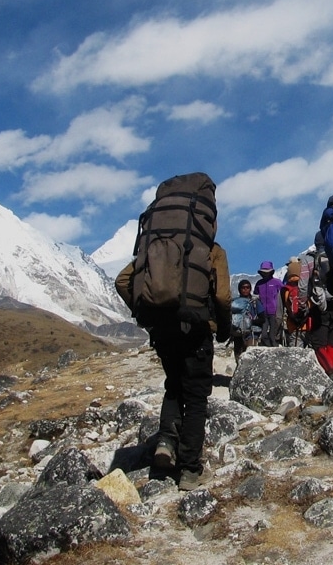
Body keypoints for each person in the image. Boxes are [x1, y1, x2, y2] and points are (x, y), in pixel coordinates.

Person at [114, 174, 232, 492]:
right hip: (196, 329)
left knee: (173, 387)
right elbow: (222, 296)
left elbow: (122, 281)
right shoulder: (212, 251)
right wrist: (223, 328)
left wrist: (145, 313)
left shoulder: (151, 249)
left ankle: (165, 444)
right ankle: (190, 470)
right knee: (195, 399)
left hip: (162, 329)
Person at [306, 235, 333, 375]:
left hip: (319, 305)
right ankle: (332, 371)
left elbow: (303, 285)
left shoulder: (310, 259)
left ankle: (329, 372)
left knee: (319, 343)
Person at [254, 260, 284, 346]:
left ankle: (274, 348)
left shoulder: (277, 282)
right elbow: (256, 295)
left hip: (274, 312)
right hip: (263, 313)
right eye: (264, 272)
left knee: (272, 334)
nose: (265, 274)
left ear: (271, 272)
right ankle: (269, 347)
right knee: (263, 334)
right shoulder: (259, 283)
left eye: (267, 272)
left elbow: (283, 294)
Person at [230, 279, 260, 359]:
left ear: (250, 288)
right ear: (239, 289)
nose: (245, 289)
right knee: (244, 357)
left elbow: (262, 317)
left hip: (249, 334)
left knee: (245, 357)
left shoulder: (255, 302)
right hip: (240, 334)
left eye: (247, 287)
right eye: (243, 288)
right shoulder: (254, 301)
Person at [280, 266, 308, 347]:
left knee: (296, 352)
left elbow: (282, 309)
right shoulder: (306, 286)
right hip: (307, 325)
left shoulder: (285, 289)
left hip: (293, 325)